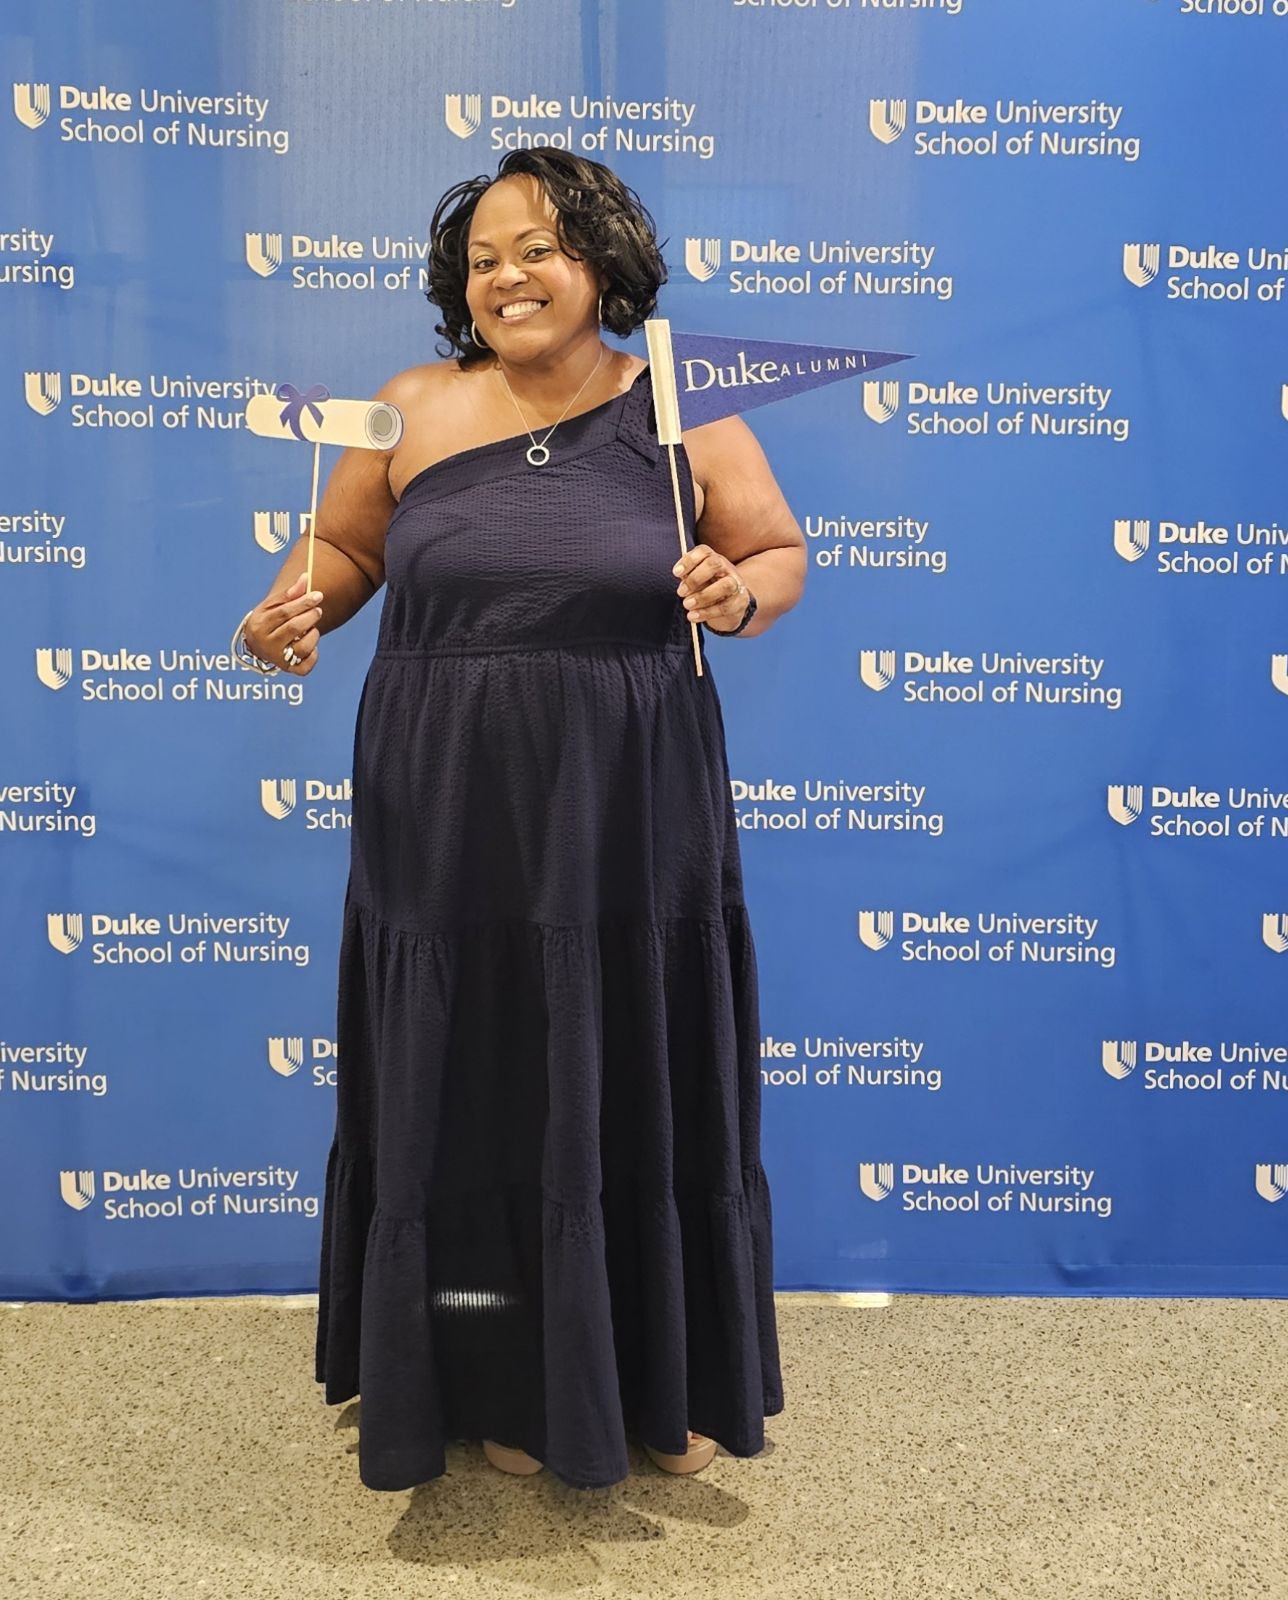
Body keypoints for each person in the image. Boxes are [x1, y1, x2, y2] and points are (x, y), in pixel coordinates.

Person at [241, 146, 805, 1491]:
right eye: (483, 258)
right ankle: (487, 1375)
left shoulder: (686, 403)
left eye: (537, 248)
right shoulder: (408, 406)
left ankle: (654, 1382)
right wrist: (290, 606)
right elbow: (348, 551)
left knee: (629, 1048)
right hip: (448, 801)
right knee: (479, 1067)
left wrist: (737, 593)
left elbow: (776, 550)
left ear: (602, 261)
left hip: (627, 795)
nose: (507, 276)